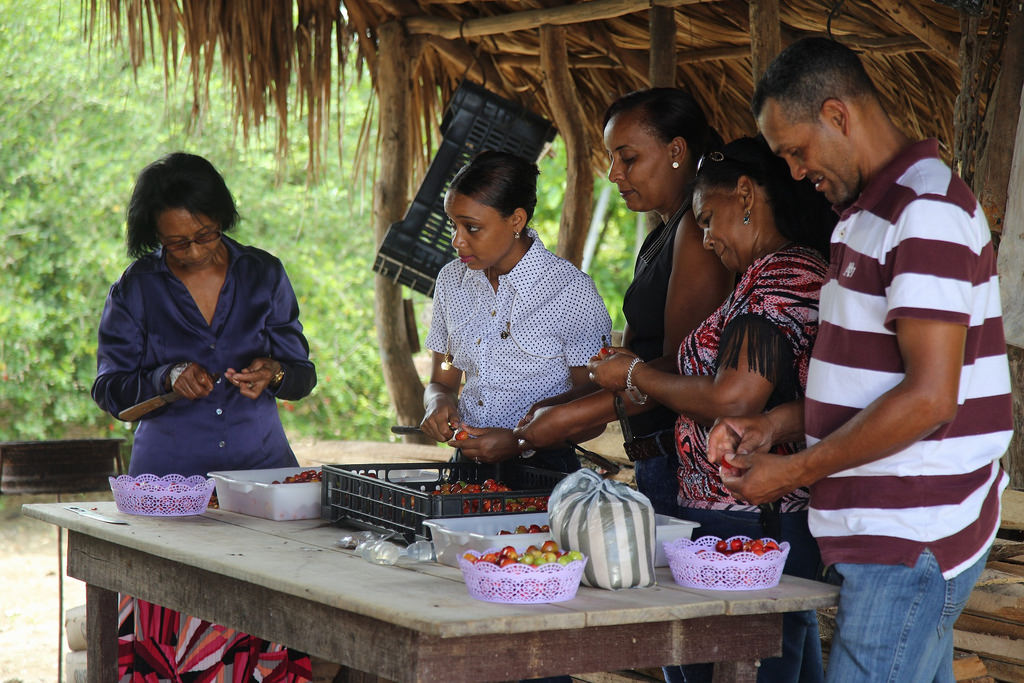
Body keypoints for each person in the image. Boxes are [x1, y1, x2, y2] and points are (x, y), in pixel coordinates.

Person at [707, 37, 1012, 682]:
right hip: (889, 533)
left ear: (838, 115)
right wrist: (778, 427)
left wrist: (795, 473)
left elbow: (930, 399)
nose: (793, 172)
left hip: (911, 536)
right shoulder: (862, 217)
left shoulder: (925, 210)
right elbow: (869, 385)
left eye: (796, 149)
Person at [588, 136, 835, 683]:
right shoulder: (754, 278)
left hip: (756, 522)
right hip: (728, 517)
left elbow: (734, 398)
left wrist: (635, 374)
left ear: (745, 194)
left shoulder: (786, 276)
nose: (705, 236)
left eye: (707, 218)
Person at [92, 152, 316, 681]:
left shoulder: (263, 273)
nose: (193, 251)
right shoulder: (135, 289)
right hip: (169, 490)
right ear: (153, 236)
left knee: (262, 628)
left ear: (223, 219)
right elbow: (110, 391)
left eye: (206, 235)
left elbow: (302, 374)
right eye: (176, 243)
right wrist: (165, 380)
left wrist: (274, 373)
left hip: (260, 481)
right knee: (171, 631)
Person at [514, 88, 733, 514]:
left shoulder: (695, 231)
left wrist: (567, 418)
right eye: (612, 158)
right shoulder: (661, 235)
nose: (614, 174)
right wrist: (553, 406)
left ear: (676, 150)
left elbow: (678, 369)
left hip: (684, 460)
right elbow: (634, 366)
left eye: (627, 158)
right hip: (658, 458)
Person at [420, 150, 612, 473]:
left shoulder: (570, 291)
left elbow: (594, 412)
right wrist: (437, 402)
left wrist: (519, 440)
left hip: (544, 472)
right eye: (453, 225)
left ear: (516, 221)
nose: (457, 241)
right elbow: (442, 379)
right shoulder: (451, 282)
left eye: (472, 228)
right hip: (466, 470)